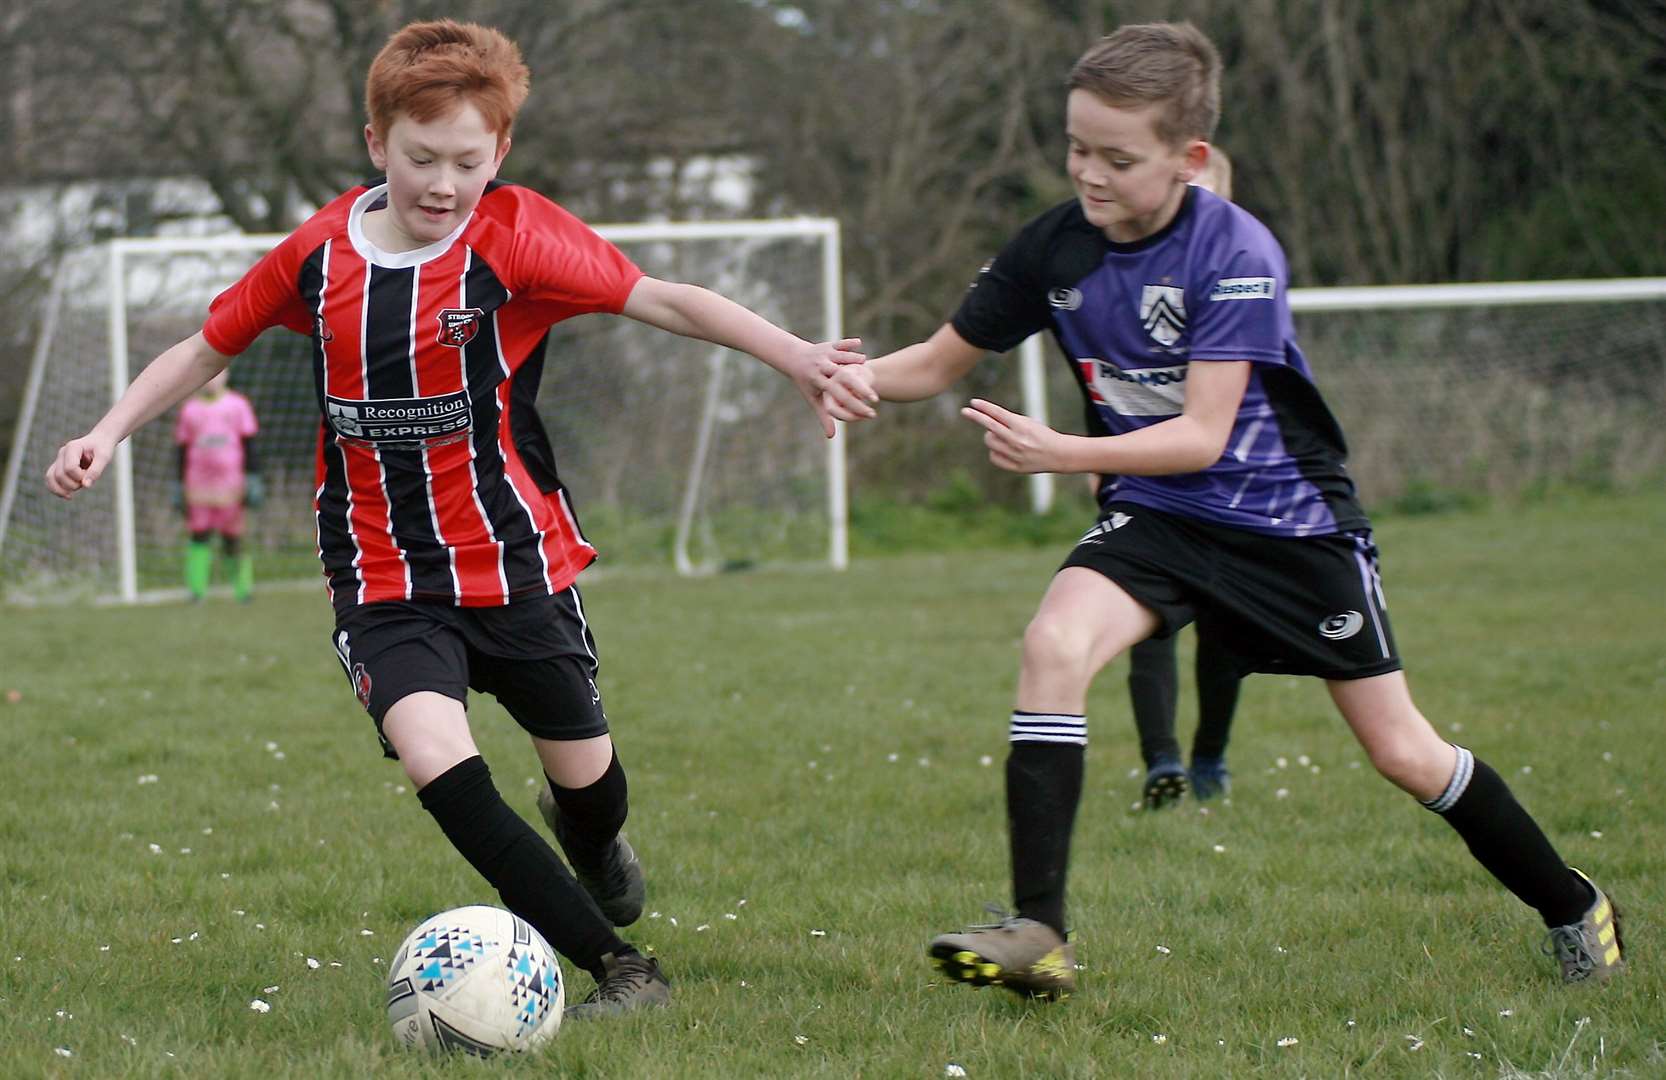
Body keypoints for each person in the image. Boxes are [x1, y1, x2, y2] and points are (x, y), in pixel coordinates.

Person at [46, 18, 871, 1018]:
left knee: (589, 784)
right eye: (420, 158)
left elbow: (669, 301)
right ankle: (619, 968)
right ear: (374, 143)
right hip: (382, 574)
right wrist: (107, 430)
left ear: (501, 154)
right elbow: (203, 347)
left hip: (515, 564)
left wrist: (796, 357)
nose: (442, 183)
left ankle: (595, 841)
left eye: (466, 162)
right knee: (438, 757)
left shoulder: (516, 237)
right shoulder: (316, 255)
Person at [831, 21, 1622, 999]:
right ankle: (1040, 931)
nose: (1089, 174)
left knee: (1402, 753)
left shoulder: (1234, 249)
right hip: (1159, 518)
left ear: (1189, 157)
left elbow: (1205, 434)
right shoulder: (1054, 244)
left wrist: (1063, 452)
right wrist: (833, 374)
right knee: (1051, 645)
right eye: (1076, 148)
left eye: (1117, 158)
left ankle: (1571, 903)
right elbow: (938, 361)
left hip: (1289, 527)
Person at [1121, 145, 1240, 807]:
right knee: (1146, 619)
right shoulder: (1134, 276)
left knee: (1226, 631)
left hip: (1229, 491)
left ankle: (1209, 758)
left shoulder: (1240, 279)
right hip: (1147, 482)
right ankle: (1160, 760)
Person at [172, 368, 263, 603]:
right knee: (199, 534)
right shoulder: (189, 410)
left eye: (217, 374)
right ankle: (196, 591)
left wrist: (253, 477)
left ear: (226, 375)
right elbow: (181, 450)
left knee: (232, 537)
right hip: (198, 486)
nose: (212, 380)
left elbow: (250, 444)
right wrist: (177, 484)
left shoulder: (238, 405)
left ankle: (243, 591)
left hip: (231, 485)